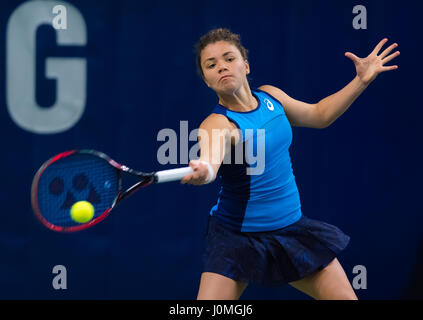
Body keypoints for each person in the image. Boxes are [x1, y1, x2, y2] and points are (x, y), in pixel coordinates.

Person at [180, 28, 399, 300]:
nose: (221, 67)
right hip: (236, 238)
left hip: (290, 230)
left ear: (245, 65)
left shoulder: (272, 97)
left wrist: (361, 81)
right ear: (206, 80)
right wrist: (205, 171)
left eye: (228, 58)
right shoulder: (217, 124)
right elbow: (210, 162)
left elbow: (320, 115)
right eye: (211, 65)